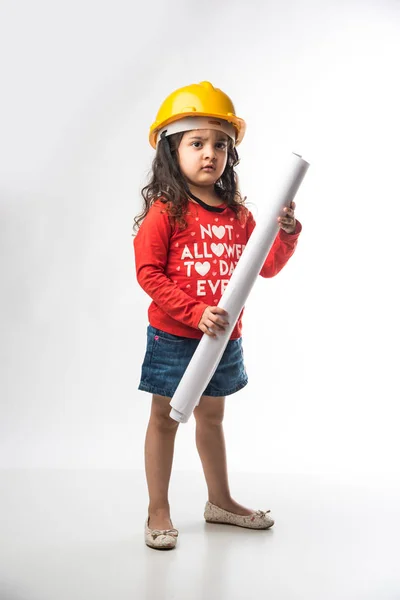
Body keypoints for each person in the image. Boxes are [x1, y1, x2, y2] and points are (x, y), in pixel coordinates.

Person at [133, 81, 302, 550]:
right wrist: (194, 312)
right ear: (172, 149)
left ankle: (220, 500)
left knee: (211, 418)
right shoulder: (166, 211)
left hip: (224, 340)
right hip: (174, 338)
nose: (210, 153)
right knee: (165, 419)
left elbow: (264, 267)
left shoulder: (240, 215)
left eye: (220, 144)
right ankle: (158, 510)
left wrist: (284, 233)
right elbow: (148, 273)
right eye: (197, 142)